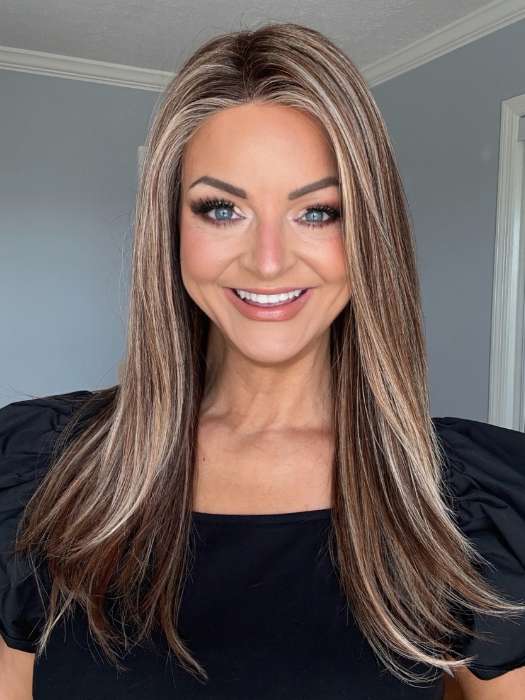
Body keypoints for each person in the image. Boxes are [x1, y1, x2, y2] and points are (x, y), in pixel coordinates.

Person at [1, 22, 524, 700]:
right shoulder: (40, 469)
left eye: (318, 212)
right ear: (171, 228)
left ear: (369, 231)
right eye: (222, 210)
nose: (268, 261)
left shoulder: (463, 499)